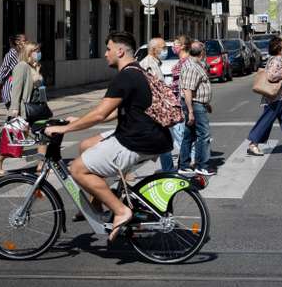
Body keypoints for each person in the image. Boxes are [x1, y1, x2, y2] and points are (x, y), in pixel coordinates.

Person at [45, 32, 171, 244]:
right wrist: (78, 119)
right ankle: (96, 203)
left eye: (108, 49)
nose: (105, 54)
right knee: (86, 145)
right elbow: (113, 111)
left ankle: (121, 211)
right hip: (149, 135)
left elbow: (100, 114)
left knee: (76, 169)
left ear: (120, 51)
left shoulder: (125, 77)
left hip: (137, 140)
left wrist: (64, 130)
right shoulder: (136, 71)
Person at [0, 40, 47, 175]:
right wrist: (14, 109)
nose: (38, 53)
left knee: (43, 136)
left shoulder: (35, 66)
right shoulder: (21, 66)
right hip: (25, 109)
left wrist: (44, 105)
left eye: (39, 51)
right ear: (29, 52)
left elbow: (41, 88)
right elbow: (16, 89)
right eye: (36, 51)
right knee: (17, 139)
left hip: (37, 109)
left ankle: (41, 165)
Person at [177, 41, 217, 176]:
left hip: (198, 104)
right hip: (194, 104)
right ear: (202, 52)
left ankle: (184, 165)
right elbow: (188, 90)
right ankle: (202, 165)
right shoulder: (191, 67)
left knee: (189, 135)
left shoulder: (195, 64)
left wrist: (206, 103)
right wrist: (191, 111)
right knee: (204, 135)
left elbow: (197, 88)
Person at [159, 35, 194, 172]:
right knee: (179, 132)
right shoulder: (182, 61)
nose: (173, 47)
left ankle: (190, 159)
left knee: (180, 132)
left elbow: (184, 85)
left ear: (183, 46)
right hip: (176, 100)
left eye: (176, 44)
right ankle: (189, 158)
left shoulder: (185, 62)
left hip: (180, 101)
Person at [0, 33, 27, 111]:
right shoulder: (10, 55)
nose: (26, 43)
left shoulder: (23, 54)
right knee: (14, 116)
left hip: (21, 90)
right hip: (11, 91)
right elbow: (2, 72)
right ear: (17, 42)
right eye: (24, 41)